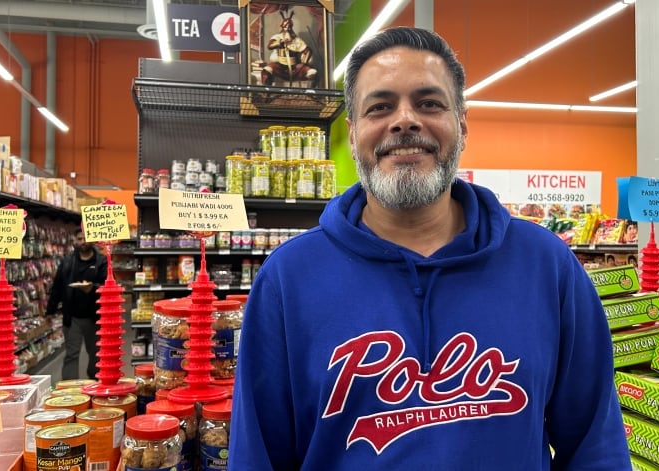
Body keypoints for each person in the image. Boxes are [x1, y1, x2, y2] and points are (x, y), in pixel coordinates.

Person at [228, 27, 631, 470]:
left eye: (429, 103)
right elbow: (257, 456)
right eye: (380, 106)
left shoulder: (547, 264)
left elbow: (596, 445)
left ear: (461, 125)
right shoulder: (288, 278)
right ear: (354, 130)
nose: (405, 120)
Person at [46, 229, 107, 380]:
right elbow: (58, 287)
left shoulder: (101, 261)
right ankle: (69, 388)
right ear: (75, 240)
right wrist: (50, 310)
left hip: (95, 317)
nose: (83, 241)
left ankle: (96, 382)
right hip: (72, 317)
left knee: (96, 354)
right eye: (79, 239)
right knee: (71, 354)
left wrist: (93, 289)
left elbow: (108, 286)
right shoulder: (67, 261)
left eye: (85, 238)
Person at [260, 8, 318, 87]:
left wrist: (305, 59)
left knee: (312, 72)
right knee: (266, 71)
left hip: (295, 67)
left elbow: (307, 50)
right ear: (282, 27)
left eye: (289, 26)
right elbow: (270, 46)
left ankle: (311, 94)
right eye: (285, 26)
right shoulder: (277, 37)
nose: (287, 28)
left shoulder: (297, 40)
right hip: (279, 66)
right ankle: (266, 94)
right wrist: (281, 42)